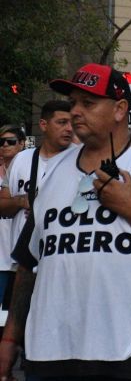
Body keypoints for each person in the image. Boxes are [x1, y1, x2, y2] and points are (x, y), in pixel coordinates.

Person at [0, 63, 131, 380]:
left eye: (88, 103)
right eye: (73, 103)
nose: (76, 112)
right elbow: (29, 261)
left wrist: (130, 207)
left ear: (120, 109)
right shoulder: (52, 170)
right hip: (52, 350)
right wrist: (11, 337)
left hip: (128, 353)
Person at [0, 102, 72, 307]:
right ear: (43, 124)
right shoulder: (22, 160)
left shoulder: (82, 159)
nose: (69, 128)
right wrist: (22, 201)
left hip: (61, 265)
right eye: (62, 122)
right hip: (22, 264)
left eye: (71, 123)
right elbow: (2, 203)